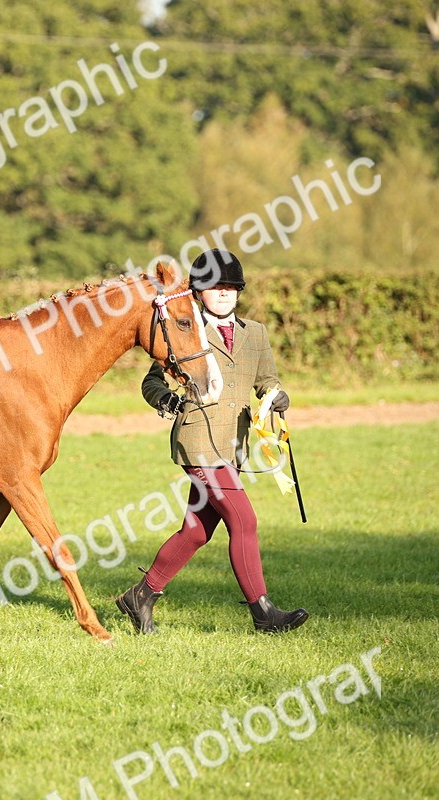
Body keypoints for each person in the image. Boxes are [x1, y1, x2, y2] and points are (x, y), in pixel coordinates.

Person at [115, 249, 308, 635]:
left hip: (233, 444)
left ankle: (141, 595)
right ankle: (264, 614)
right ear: (199, 292)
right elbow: (153, 381)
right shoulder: (187, 329)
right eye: (215, 287)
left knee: (197, 531)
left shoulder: (256, 333)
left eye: (230, 287)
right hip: (198, 440)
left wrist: (277, 395)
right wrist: (166, 399)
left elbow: (267, 380)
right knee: (244, 520)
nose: (223, 293)